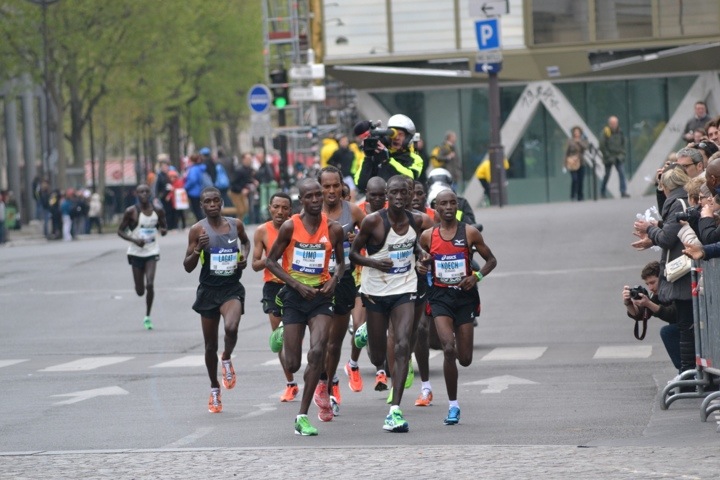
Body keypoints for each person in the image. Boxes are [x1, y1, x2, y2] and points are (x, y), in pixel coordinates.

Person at [265, 178, 346, 435]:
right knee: (292, 364)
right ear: (301, 201)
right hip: (294, 296)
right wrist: (296, 285)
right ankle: (281, 333)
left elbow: (342, 263)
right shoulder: (290, 227)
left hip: (321, 297)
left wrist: (334, 279)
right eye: (309, 197)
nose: (314, 200)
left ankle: (302, 415)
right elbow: (271, 261)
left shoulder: (333, 229)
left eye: (317, 196)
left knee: (318, 350)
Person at [349, 175, 428, 432]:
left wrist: (421, 255)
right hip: (374, 292)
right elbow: (352, 254)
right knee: (378, 356)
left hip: (405, 288)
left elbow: (414, 244)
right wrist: (374, 262)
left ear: (409, 194)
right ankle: (364, 335)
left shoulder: (416, 220)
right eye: (393, 192)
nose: (398, 197)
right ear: (386, 195)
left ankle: (395, 409)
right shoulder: (373, 222)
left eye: (403, 192)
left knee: (404, 344)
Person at [418, 189, 496, 425]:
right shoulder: (427, 236)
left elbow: (491, 260)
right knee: (448, 348)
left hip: (465, 297)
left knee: (465, 358)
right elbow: (422, 263)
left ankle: (454, 395)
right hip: (440, 297)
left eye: (453, 203)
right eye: (444, 204)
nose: (449, 207)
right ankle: (453, 405)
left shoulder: (469, 233)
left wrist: (477, 277)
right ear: (436, 208)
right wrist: (422, 267)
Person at [183, 187, 250, 414]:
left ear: (221, 202)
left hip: (231, 288)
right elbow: (187, 266)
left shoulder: (235, 224)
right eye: (207, 202)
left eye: (215, 201)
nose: (212, 205)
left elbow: (246, 243)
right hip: (209, 291)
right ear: (202, 206)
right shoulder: (197, 230)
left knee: (231, 328)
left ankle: (227, 358)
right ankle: (214, 387)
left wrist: (244, 258)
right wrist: (197, 249)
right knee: (209, 345)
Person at [633, 167, 694, 373]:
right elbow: (670, 229)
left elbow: (668, 238)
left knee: (685, 328)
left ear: (667, 187)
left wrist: (650, 229)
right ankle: (687, 372)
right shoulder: (683, 200)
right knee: (685, 329)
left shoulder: (676, 202)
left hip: (683, 275)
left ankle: (687, 372)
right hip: (685, 274)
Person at [317, 166, 365, 414]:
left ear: (341, 186)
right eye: (326, 186)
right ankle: (324, 383)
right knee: (320, 339)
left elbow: (374, 236)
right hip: (315, 281)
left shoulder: (353, 211)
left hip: (343, 279)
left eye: (335, 185)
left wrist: (359, 241)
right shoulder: (309, 213)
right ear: (319, 188)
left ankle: (330, 382)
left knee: (334, 342)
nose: (332, 190)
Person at [251, 191, 298, 402]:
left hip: (297, 285)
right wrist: (272, 257)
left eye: (284, 208)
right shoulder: (262, 231)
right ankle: (290, 383)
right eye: (276, 207)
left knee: (296, 339)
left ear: (290, 210)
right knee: (280, 340)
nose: (280, 211)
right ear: (270, 208)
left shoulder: (298, 228)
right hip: (273, 287)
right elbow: (255, 264)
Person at [117, 184, 168, 329]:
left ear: (150, 193)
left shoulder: (158, 211)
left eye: (147, 191)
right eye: (141, 192)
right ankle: (140, 289)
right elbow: (120, 231)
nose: (144, 194)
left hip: (151, 251)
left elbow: (163, 226)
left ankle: (147, 316)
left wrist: (163, 230)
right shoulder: (131, 211)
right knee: (140, 291)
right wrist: (134, 240)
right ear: (136, 194)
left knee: (150, 284)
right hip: (135, 252)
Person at [622, 261, 679, 372]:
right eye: (647, 284)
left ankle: (684, 372)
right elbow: (642, 315)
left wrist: (648, 303)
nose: (650, 287)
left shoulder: (675, 288)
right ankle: (684, 373)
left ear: (663, 278)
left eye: (652, 282)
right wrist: (628, 303)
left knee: (667, 332)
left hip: (693, 326)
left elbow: (672, 314)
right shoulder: (658, 293)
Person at [354, 115, 424, 192]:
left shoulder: (415, 159)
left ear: (408, 137)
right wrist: (369, 157)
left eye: (400, 134)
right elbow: (360, 184)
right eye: (393, 134)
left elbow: (409, 179)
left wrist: (386, 161)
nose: (396, 138)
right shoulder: (376, 153)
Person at [600, 115, 629, 198]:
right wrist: (607, 155)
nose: (614, 125)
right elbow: (602, 145)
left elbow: (623, 144)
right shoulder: (605, 132)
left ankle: (623, 191)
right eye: (612, 123)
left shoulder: (620, 132)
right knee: (607, 175)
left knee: (622, 173)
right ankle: (602, 191)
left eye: (615, 123)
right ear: (609, 124)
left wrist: (622, 154)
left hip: (618, 156)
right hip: (609, 157)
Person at [328, 135, 357, 201]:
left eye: (346, 141)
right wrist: (337, 166)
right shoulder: (337, 152)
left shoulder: (351, 152)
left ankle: (352, 205)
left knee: (352, 190)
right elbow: (330, 161)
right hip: (341, 176)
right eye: (342, 141)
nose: (344, 142)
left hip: (349, 175)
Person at [229, 153, 256, 222]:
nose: (249, 160)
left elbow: (247, 180)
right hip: (235, 192)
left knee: (245, 209)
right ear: (243, 160)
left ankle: (239, 223)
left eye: (250, 159)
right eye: (248, 159)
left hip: (243, 193)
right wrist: (241, 189)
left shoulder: (249, 169)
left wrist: (253, 181)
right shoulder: (239, 170)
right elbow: (233, 183)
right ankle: (235, 222)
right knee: (240, 210)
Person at [565, 126, 588, 201]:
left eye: (578, 132)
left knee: (581, 180)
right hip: (572, 162)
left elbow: (586, 148)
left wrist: (580, 142)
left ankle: (580, 195)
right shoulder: (570, 141)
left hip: (581, 161)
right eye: (575, 132)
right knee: (575, 179)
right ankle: (573, 194)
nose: (576, 133)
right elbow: (567, 152)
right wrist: (565, 162)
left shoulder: (583, 140)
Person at [184, 154, 210, 222]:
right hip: (200, 190)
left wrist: (186, 186)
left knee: (196, 209)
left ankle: (201, 223)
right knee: (200, 208)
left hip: (193, 192)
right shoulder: (200, 168)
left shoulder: (193, 169)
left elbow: (192, 179)